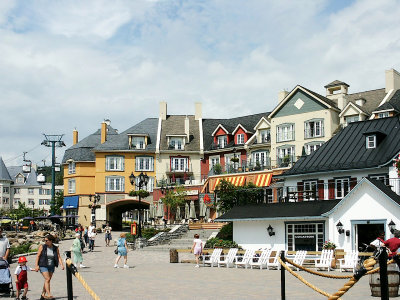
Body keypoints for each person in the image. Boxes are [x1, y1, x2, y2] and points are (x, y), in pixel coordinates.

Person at [35, 234, 64, 300]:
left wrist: (61, 264)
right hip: (43, 265)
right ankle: (49, 294)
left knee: (47, 280)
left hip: (51, 266)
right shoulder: (42, 247)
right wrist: (36, 265)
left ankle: (43, 294)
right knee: (47, 279)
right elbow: (38, 256)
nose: (45, 242)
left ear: (51, 241)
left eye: (46, 240)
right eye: (44, 240)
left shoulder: (55, 248)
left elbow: (58, 256)